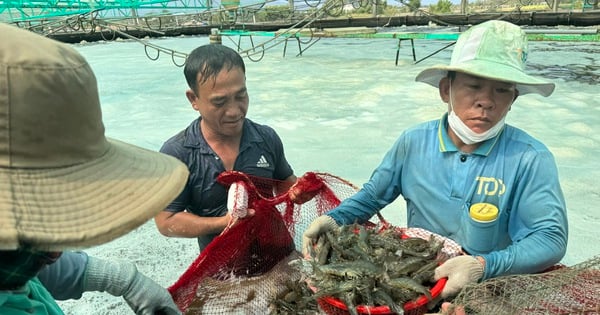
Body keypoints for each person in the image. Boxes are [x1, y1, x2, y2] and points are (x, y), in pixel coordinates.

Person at [302, 20, 568, 300]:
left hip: (487, 286)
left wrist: (481, 267)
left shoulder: (530, 158)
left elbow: (550, 239)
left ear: (513, 98)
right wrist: (334, 219)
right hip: (415, 277)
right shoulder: (413, 142)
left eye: (502, 90)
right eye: (474, 85)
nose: (486, 101)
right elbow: (372, 196)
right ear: (445, 90)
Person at [0, 23, 189, 315]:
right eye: (33, 235)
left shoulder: (10, 271)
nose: (54, 252)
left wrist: (123, 280)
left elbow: (27, 269)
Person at [155, 44, 309, 252]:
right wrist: (225, 222)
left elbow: (284, 184)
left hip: (280, 257)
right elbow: (166, 221)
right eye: (219, 102)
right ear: (193, 99)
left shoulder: (266, 137)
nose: (234, 111)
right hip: (221, 271)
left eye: (241, 96)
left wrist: (299, 190)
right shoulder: (177, 153)